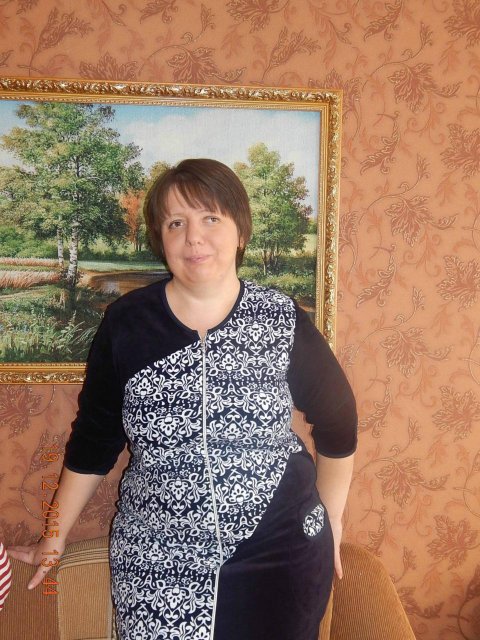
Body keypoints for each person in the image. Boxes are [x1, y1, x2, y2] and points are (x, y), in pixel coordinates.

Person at [8, 158, 357, 640]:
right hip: (158, 560)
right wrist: (53, 536)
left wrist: (333, 517)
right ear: (161, 238)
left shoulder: (279, 317)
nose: (194, 238)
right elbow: (94, 441)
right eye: (176, 223)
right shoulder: (126, 323)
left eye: (210, 218)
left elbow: (339, 420)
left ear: (240, 231)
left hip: (281, 554)